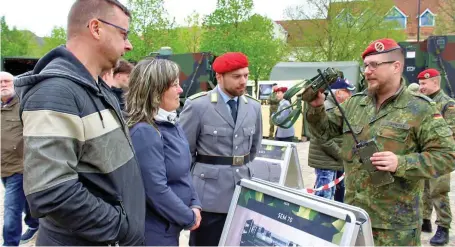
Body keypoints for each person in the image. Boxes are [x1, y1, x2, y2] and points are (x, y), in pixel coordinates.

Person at [13, 0, 146, 245]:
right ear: (96, 28)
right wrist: (122, 228)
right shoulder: (56, 93)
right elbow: (50, 191)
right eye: (123, 33)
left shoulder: (95, 88)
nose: (129, 45)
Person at [306, 38, 455, 246]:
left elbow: (447, 156)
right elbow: (324, 131)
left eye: (374, 65)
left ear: (396, 67)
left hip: (395, 228)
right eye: (366, 65)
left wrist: (400, 163)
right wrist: (315, 108)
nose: (367, 71)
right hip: (355, 218)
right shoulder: (355, 104)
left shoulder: (421, 109)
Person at [179, 52, 263, 246]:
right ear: (219, 77)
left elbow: (254, 148)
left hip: (242, 192)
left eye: (246, 75)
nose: (243, 81)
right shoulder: (199, 105)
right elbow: (184, 154)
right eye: (236, 77)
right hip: (208, 197)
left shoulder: (253, 107)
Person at [126, 58, 202, 246]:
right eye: (174, 85)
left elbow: (184, 172)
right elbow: (155, 189)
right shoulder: (145, 131)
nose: (180, 90)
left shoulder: (170, 124)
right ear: (156, 91)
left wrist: (195, 203)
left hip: (169, 228)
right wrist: (188, 217)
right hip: (155, 234)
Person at [1, 71, 39, 246]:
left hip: (20, 167)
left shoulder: (24, 105)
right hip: (3, 166)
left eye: (7, 81)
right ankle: (34, 224)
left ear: (15, 84)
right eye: (0, 82)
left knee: (11, 211)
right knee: (23, 202)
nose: (3, 84)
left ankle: (10, 244)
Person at [418, 68, 454, 246]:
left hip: (439, 156)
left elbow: (451, 133)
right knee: (423, 189)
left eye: (424, 83)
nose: (421, 87)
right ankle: (424, 221)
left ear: (434, 82)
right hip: (422, 154)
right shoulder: (422, 102)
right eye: (420, 83)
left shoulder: (447, 104)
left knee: (438, 191)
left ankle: (443, 228)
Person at [308, 78, 354, 201]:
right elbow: (323, 138)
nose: (350, 95)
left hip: (331, 159)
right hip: (326, 160)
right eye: (347, 92)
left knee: (331, 191)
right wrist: (341, 154)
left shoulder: (335, 106)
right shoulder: (327, 108)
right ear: (338, 93)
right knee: (324, 196)